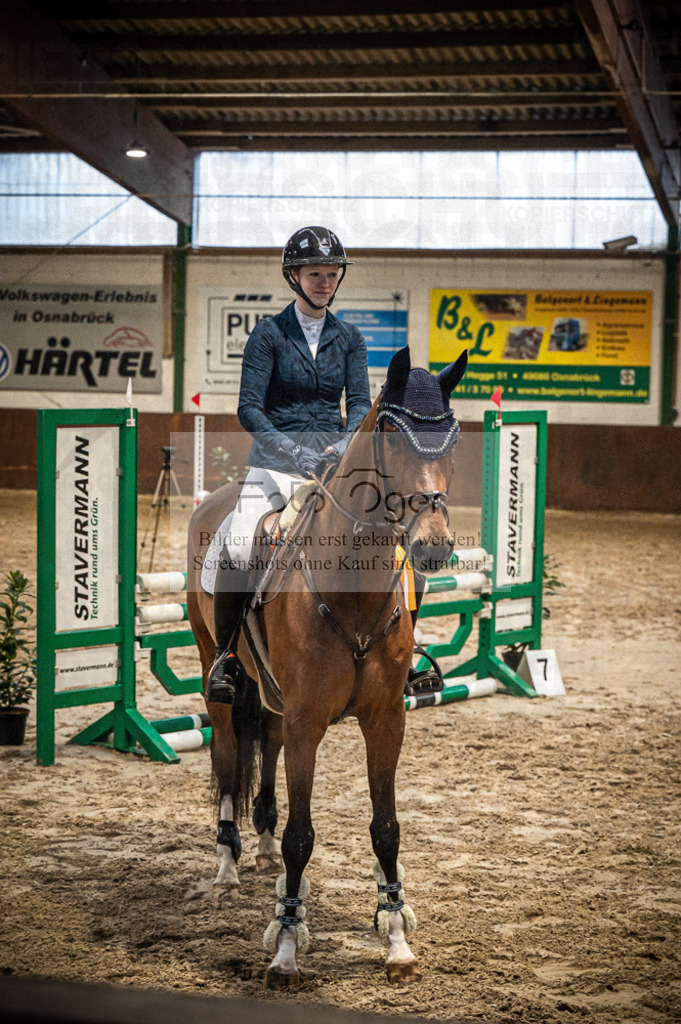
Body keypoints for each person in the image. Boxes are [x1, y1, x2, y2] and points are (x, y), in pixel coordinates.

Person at [207, 226, 372, 702]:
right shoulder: (268, 335)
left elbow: (360, 402)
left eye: (331, 274)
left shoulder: (350, 338)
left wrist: (346, 444)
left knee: (390, 537)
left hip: (335, 467)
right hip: (275, 466)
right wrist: (292, 450)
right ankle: (226, 659)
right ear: (295, 277)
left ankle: (407, 653)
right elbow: (249, 408)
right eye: (315, 273)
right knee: (239, 545)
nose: (324, 282)